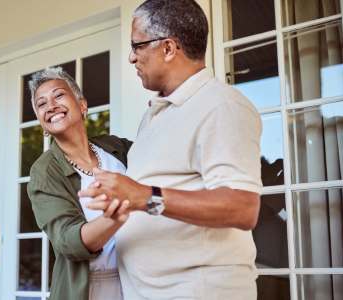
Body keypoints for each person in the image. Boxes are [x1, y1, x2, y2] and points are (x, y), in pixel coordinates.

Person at [79, 0, 263, 299]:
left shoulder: (221, 106)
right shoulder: (154, 115)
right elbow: (156, 201)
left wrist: (141, 195)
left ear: (168, 48)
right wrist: (135, 200)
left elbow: (242, 208)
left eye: (137, 45)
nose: (131, 57)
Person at [26, 67, 132, 300]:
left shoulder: (117, 149)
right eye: (41, 104)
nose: (51, 106)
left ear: (82, 105)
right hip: (91, 289)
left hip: (139, 280)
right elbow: (67, 242)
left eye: (59, 95)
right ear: (42, 123)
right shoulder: (43, 172)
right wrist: (115, 217)